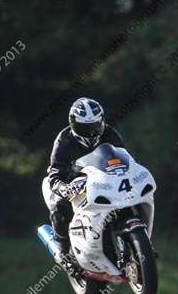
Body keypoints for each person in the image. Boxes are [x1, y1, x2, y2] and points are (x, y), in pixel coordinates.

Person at [41, 98, 125, 264]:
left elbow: (126, 156)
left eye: (95, 126)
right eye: (84, 128)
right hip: (74, 183)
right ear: (72, 124)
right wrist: (64, 188)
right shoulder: (63, 140)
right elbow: (55, 173)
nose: (91, 133)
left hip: (105, 180)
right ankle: (63, 249)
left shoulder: (110, 133)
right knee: (59, 210)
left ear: (102, 121)